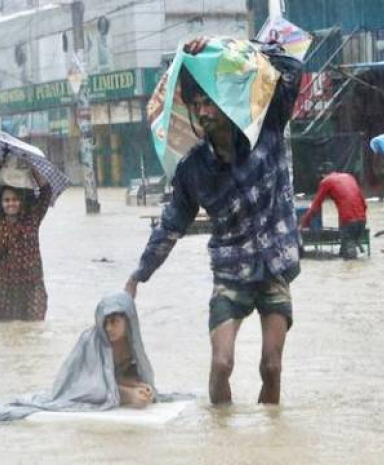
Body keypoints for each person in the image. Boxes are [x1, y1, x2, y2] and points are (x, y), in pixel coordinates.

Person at [124, 36, 302, 405]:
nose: (203, 112)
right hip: (230, 273)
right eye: (197, 104)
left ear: (226, 101)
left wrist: (225, 46)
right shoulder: (192, 170)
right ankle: (221, 438)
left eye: (209, 102)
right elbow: (170, 226)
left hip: (274, 269)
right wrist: (138, 275)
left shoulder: (267, 126)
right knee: (221, 363)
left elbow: (292, 68)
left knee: (272, 367)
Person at [0, 292, 158, 422]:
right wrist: (129, 394)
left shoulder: (132, 344)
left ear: (128, 321)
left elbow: (119, 374)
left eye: (114, 321)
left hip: (107, 386)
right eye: (105, 322)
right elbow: (93, 387)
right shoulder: (91, 342)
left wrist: (140, 386)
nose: (108, 328)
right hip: (77, 387)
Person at [0, 167, 52, 321]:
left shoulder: (32, 219)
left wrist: (32, 166)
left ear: (21, 201)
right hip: (5, 289)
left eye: (15, 200)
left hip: (32, 287)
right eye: (6, 200)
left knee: (33, 330)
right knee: (7, 333)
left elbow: (46, 192)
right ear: (0, 203)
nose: (11, 204)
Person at [299, 164, 367, 260]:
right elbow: (364, 204)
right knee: (346, 250)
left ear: (323, 175)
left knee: (351, 259)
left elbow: (315, 206)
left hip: (348, 221)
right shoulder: (349, 177)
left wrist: (304, 222)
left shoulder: (326, 181)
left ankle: (351, 271)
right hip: (362, 220)